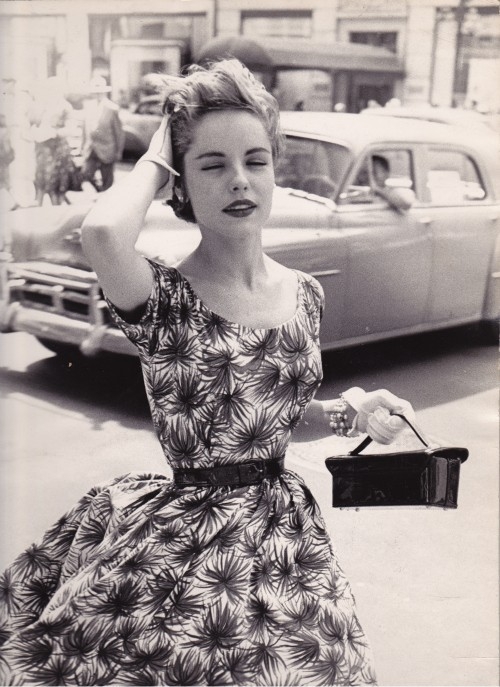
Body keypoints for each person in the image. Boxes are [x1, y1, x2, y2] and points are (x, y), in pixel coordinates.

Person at [0, 59, 415, 686]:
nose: (240, 180)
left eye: (256, 160)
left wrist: (348, 414)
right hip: (190, 554)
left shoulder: (306, 293)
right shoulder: (162, 296)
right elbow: (103, 232)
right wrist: (157, 154)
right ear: (181, 185)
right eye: (213, 165)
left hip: (288, 548)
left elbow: (271, 421)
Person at [29, 77, 75, 206]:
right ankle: (38, 211)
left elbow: (71, 129)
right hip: (42, 151)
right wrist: (34, 131)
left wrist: (54, 133)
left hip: (57, 151)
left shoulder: (65, 107)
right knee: (40, 183)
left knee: (56, 187)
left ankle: (57, 212)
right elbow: (32, 123)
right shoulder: (42, 105)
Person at [81, 76, 124, 192]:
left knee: (107, 180)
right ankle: (100, 190)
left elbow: (119, 133)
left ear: (104, 92)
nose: (97, 94)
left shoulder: (112, 108)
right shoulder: (88, 106)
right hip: (91, 149)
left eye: (100, 92)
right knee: (86, 174)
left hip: (107, 149)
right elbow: (85, 129)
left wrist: (118, 152)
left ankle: (106, 196)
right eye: (95, 92)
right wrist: (82, 146)